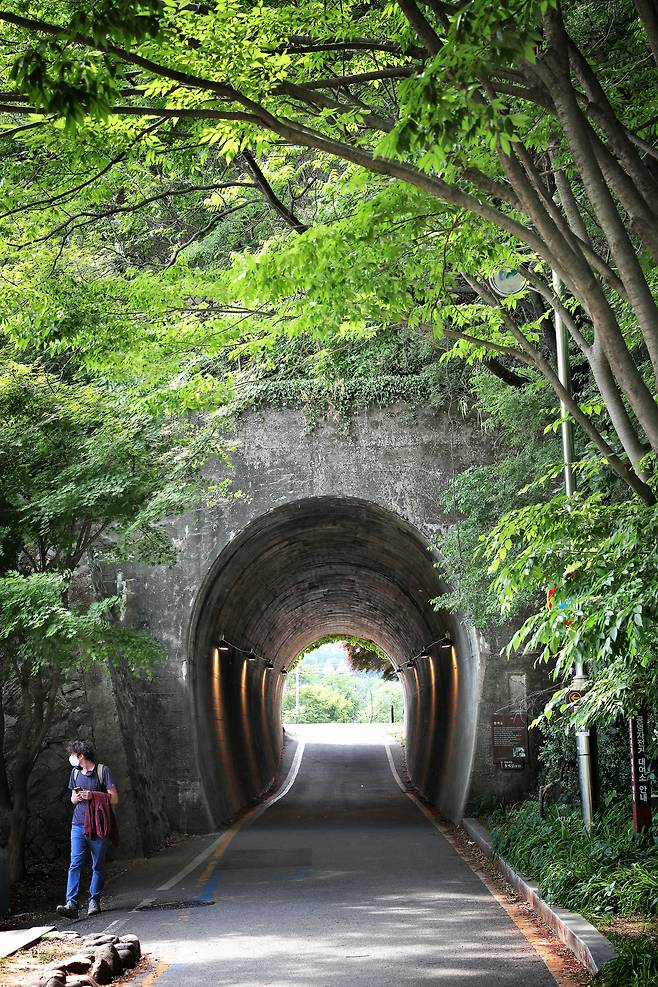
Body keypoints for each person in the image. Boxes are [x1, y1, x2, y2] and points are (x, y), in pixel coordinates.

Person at [56, 739, 119, 919]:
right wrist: (78, 796)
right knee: (75, 863)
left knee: (97, 864)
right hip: (78, 824)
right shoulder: (75, 773)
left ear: (81, 755)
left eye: (72, 755)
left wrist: (92, 795)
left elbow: (114, 799)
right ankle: (72, 904)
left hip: (98, 825)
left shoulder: (102, 771)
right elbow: (72, 800)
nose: (70, 758)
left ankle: (94, 900)